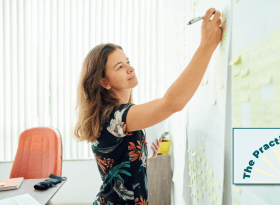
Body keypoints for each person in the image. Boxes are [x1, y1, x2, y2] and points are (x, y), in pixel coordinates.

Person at [74, 8, 222, 205]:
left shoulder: (113, 115)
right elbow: (172, 103)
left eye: (127, 61)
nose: (130, 67)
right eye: (120, 67)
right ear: (104, 82)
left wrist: (143, 152)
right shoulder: (116, 116)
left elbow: (120, 160)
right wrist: (207, 45)